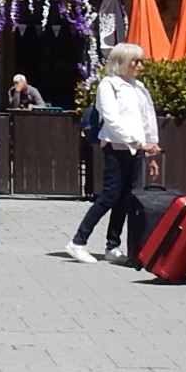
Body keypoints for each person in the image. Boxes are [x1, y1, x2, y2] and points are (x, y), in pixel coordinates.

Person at [65, 42, 160, 263]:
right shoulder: (108, 85)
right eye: (134, 61)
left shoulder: (138, 87)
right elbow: (111, 119)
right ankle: (78, 241)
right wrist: (136, 141)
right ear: (121, 63)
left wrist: (150, 150)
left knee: (126, 198)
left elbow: (148, 120)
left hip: (136, 150)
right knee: (109, 196)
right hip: (117, 148)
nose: (139, 65)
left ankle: (112, 245)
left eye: (140, 61)